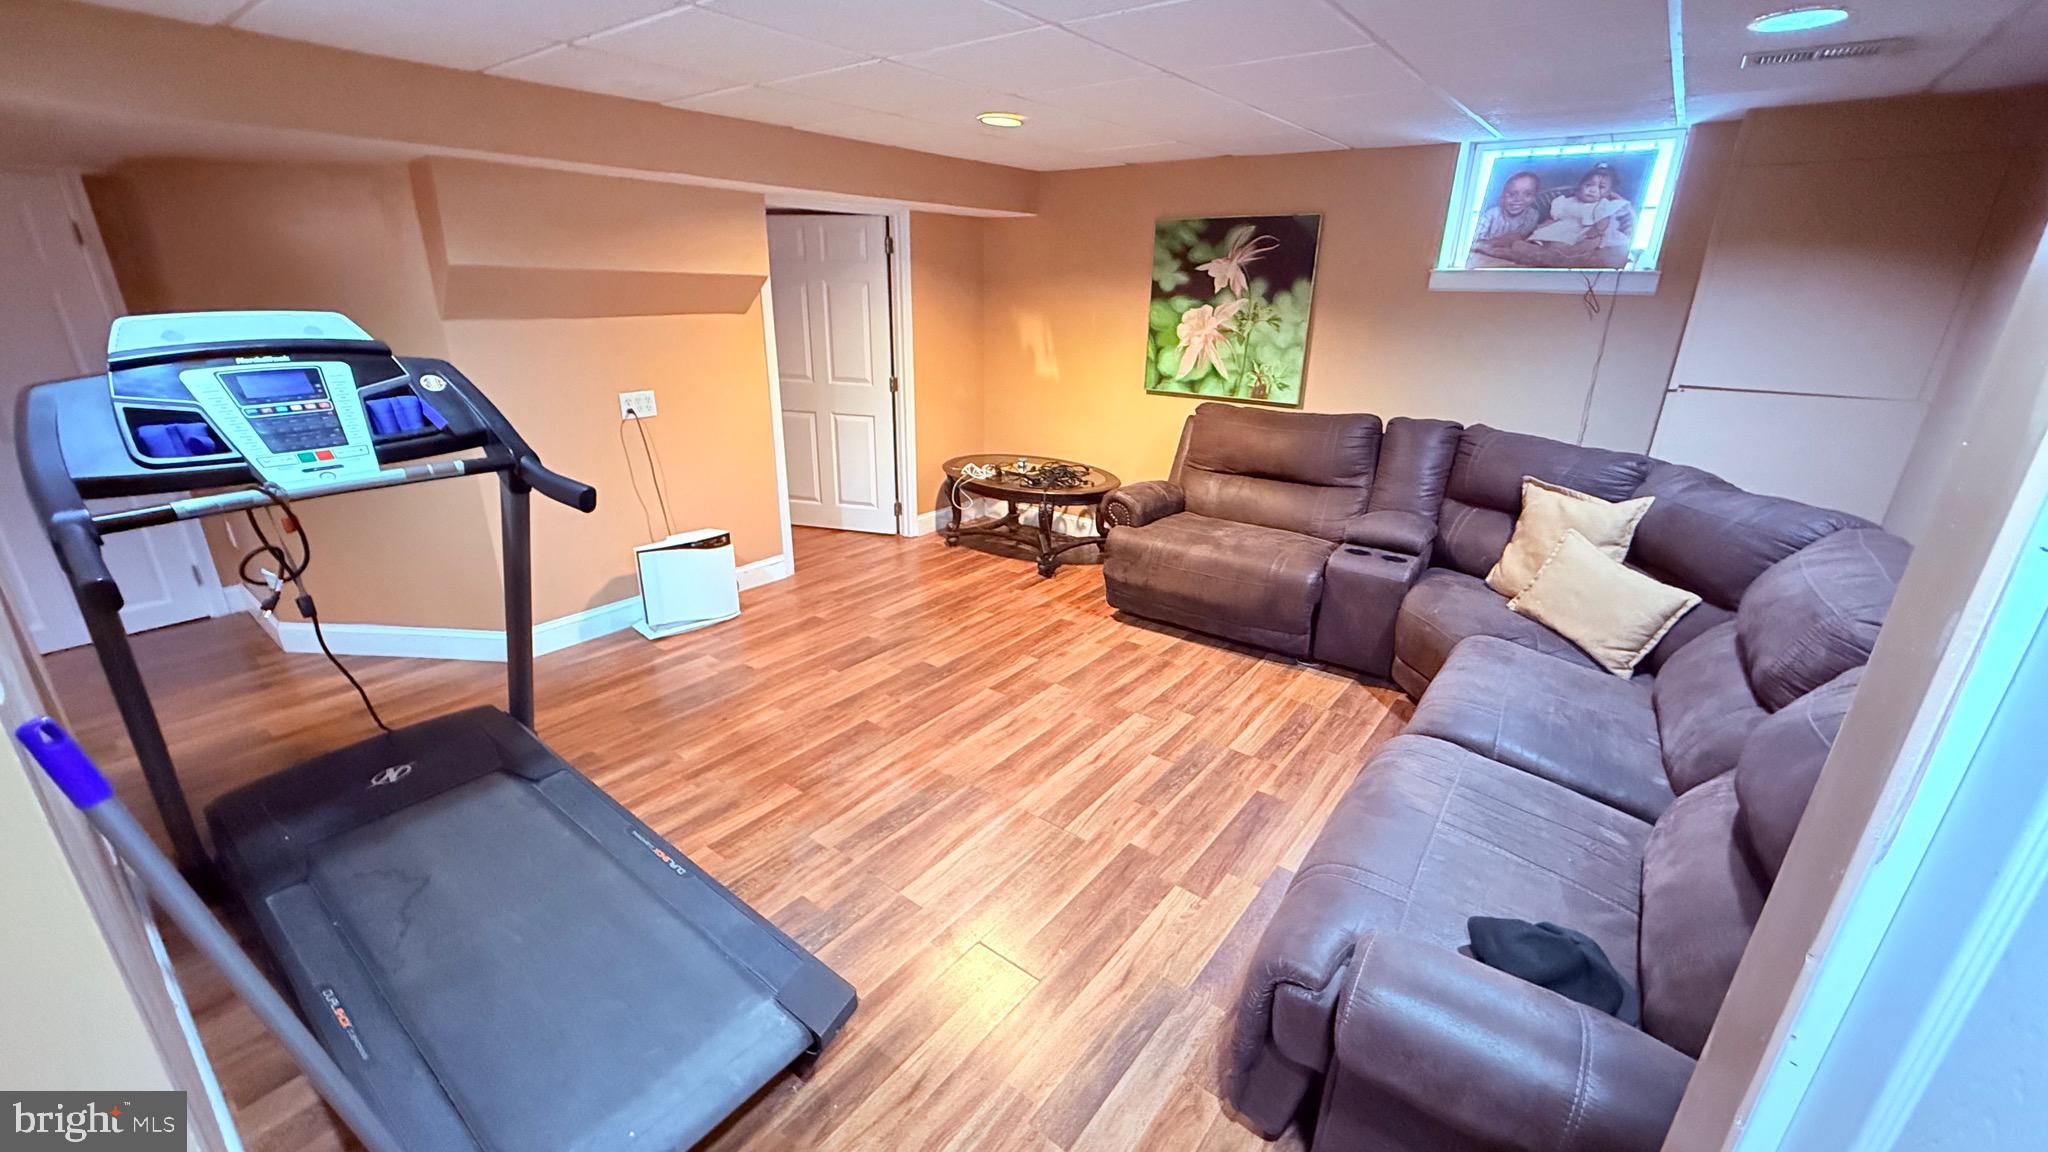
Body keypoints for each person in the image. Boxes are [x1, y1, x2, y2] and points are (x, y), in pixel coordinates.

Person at [1527, 163, 1634, 250]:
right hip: (1562, 230)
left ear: (1608, 193)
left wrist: (1597, 231)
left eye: (1601, 187)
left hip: (1585, 233)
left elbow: (1604, 220)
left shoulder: (1603, 204)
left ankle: (1571, 253)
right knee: (1543, 237)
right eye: (1588, 185)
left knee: (1594, 242)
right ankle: (1543, 249)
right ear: (1580, 186)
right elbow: (1554, 219)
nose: (1592, 190)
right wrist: (1541, 227)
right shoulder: (1566, 201)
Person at [1469, 170, 1545, 261]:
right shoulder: (1490, 216)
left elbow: (1529, 236)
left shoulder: (1533, 215)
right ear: (1502, 196)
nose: (1519, 199)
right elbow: (1472, 244)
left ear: (1534, 197)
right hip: (1486, 255)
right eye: (1512, 194)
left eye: (1528, 194)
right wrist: (1497, 242)